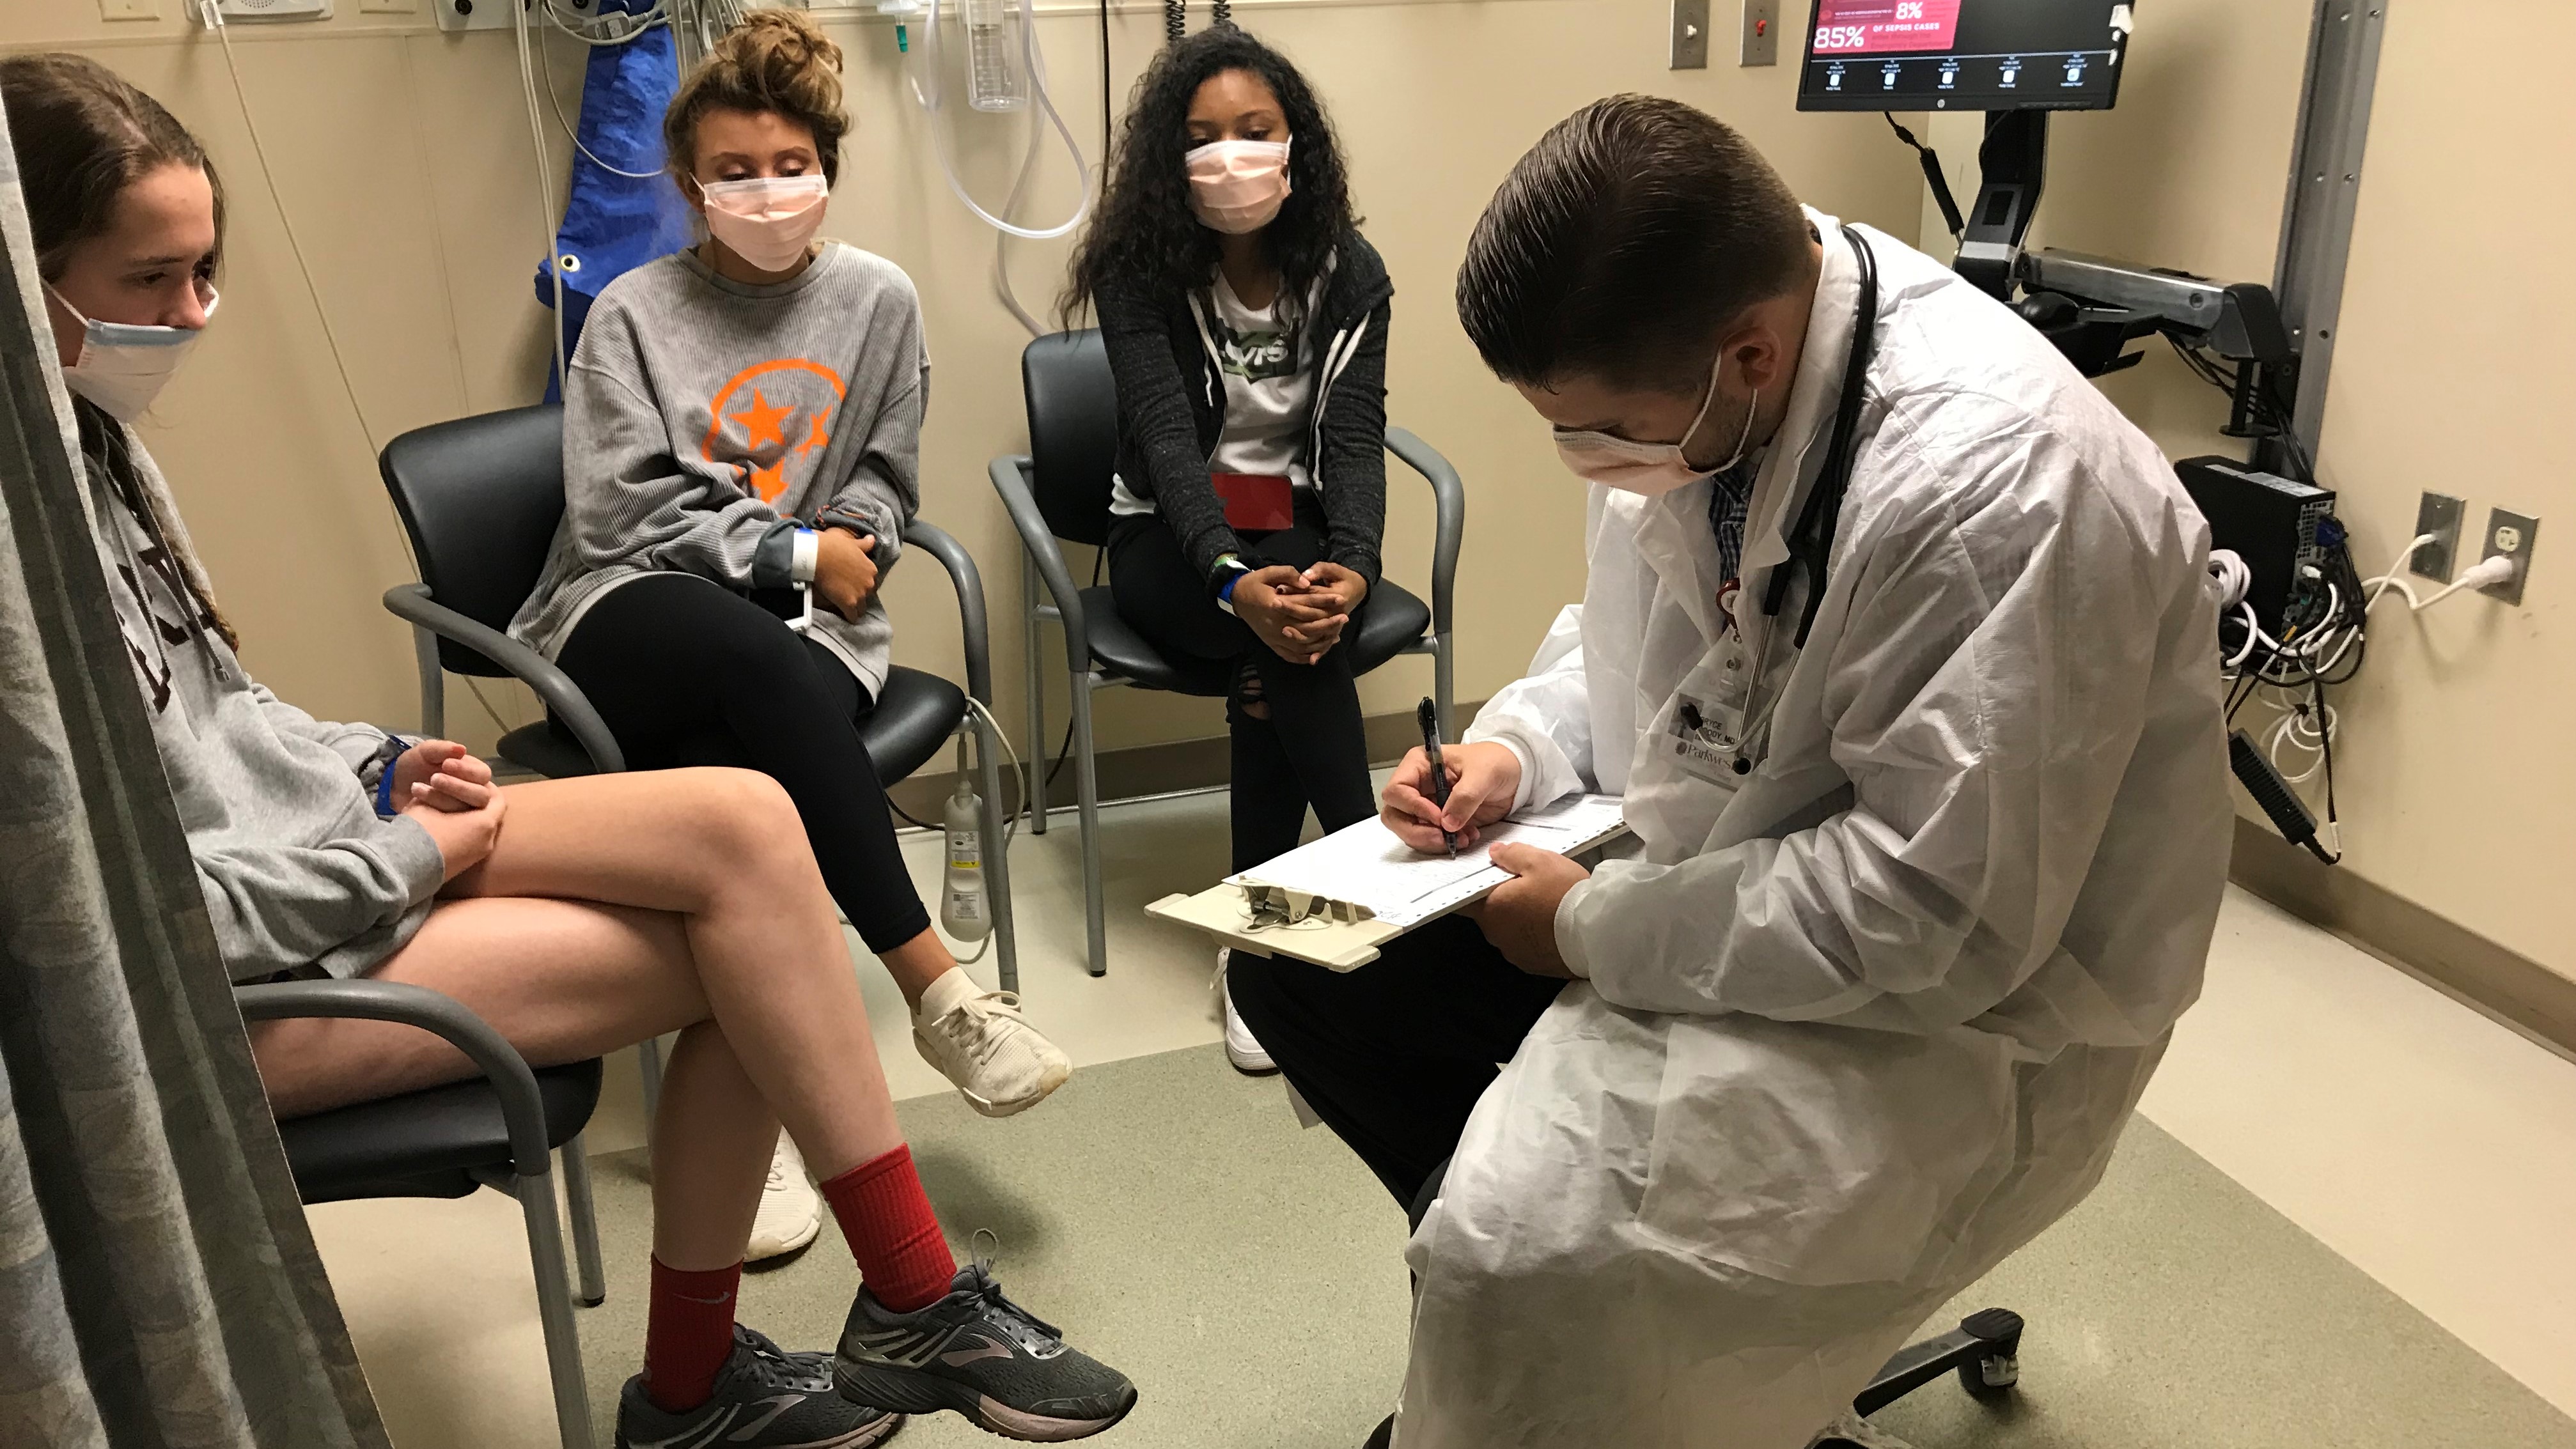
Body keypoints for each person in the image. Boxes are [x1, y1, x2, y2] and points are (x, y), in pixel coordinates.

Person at [4, 51, 1136, 1448]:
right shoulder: (15, 560)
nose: (190, 318)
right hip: (194, 987)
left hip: (324, 857)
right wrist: (409, 852)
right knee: (753, 947)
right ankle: (780, 1350)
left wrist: (376, 763)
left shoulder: (94, 451)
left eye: (206, 273)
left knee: (741, 829)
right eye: (145, 282)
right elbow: (115, 911)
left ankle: (809, 1338)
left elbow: (222, 712)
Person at [1228, 95, 2233, 1448]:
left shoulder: (1992, 492)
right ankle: (1598, 1345)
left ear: (1748, 355)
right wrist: (1513, 753)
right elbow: (1637, 638)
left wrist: (1587, 929)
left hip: (1958, 1020)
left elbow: (1933, 916)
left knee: (1512, 1254)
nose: (1585, 460)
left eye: (1596, 430)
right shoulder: (1701, 383)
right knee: (1294, 959)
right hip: (1717, 893)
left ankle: (1598, 1337)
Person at [504, 11, 1072, 1255]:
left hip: (807, 622)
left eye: (789, 165)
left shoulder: (876, 302)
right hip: (624, 607)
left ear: (828, 165)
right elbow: (615, 514)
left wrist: (849, 537)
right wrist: (790, 549)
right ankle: (939, 987)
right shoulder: (633, 313)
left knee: (758, 780)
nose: (764, 192)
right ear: (688, 183)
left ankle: (747, 1117)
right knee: (761, 675)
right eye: (732, 171)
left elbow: (879, 470)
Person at [1063, 25, 1392, 1076]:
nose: (1231, 154)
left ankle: (1260, 958)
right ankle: (1378, 880)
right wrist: (1229, 577)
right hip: (1165, 532)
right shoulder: (1139, 270)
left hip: (1284, 516)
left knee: (1292, 632)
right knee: (1279, 638)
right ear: (1171, 159)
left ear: (1295, 143)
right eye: (1203, 137)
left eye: (1255, 130)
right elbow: (1164, 440)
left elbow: (1351, 435)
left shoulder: (1347, 270)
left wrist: (1356, 560)